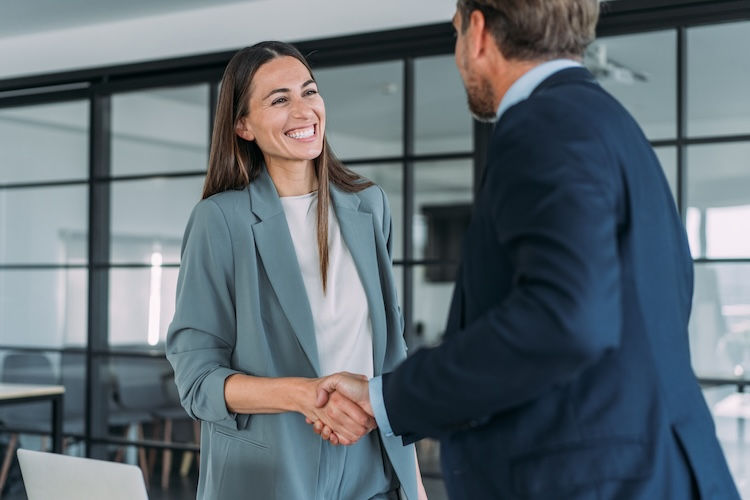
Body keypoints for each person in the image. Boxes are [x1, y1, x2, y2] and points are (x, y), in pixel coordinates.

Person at [314, 1, 741, 499]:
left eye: (455, 33)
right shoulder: (613, 125)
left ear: (477, 32)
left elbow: (566, 317)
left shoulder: (543, 125)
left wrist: (388, 397)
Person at [166, 41, 427, 500]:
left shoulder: (370, 204)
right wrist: (307, 396)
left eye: (309, 91)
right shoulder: (221, 220)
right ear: (243, 125)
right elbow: (197, 379)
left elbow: (391, 348)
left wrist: (416, 482)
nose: (304, 110)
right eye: (280, 99)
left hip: (375, 467)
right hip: (271, 473)